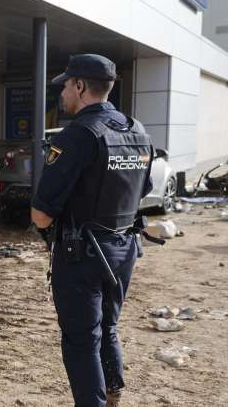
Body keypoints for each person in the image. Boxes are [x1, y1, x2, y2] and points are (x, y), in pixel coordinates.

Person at [31, 54, 153, 407]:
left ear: (81, 86)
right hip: (123, 249)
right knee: (107, 327)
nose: (63, 93)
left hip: (83, 254)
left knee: (81, 339)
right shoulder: (136, 129)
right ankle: (113, 390)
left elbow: (40, 215)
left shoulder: (79, 135)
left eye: (66, 85)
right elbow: (140, 191)